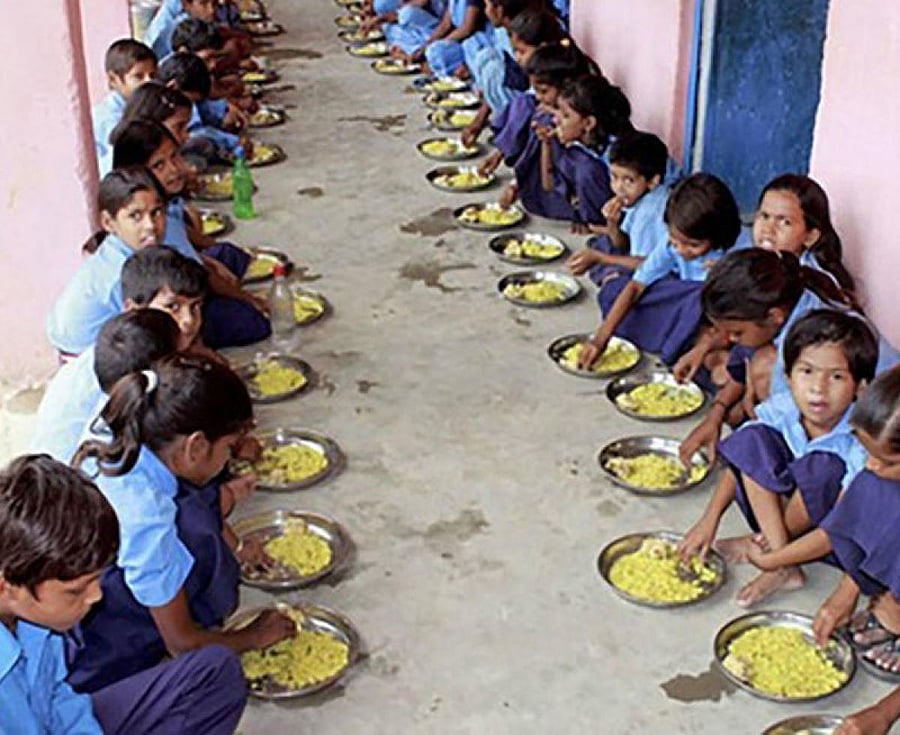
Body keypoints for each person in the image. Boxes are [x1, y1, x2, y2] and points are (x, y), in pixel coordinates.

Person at [68, 356, 294, 693]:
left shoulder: (125, 419)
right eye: (229, 448)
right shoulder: (145, 518)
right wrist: (252, 636)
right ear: (196, 446)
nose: (230, 459)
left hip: (90, 577)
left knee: (200, 504)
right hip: (92, 658)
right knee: (213, 671)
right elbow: (182, 644)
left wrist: (238, 547)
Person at [0, 454, 248, 734]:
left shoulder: (36, 619)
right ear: (6, 585)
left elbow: (60, 700)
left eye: (95, 580)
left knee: (215, 672)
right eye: (76, 591)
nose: (96, 596)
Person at [678, 310, 877, 606]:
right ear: (788, 376)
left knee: (821, 467)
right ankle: (779, 556)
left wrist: (774, 559)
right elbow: (744, 459)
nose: (818, 388)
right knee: (751, 437)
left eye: (836, 377)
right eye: (806, 372)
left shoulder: (862, 441)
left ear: (860, 387)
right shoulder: (784, 406)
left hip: (830, 538)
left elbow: (839, 527)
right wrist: (709, 520)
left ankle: (776, 556)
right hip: (779, 519)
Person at [746, 366, 900, 680]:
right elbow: (851, 522)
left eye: (887, 461)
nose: (872, 464)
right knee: (870, 487)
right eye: (868, 454)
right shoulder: (876, 472)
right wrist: (847, 592)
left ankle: (893, 612)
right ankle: (885, 598)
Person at [678, 250, 898, 465]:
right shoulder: (796, 302)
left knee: (762, 368)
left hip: (881, 429)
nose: (729, 340)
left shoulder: (809, 346)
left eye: (737, 332)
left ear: (774, 316)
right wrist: (716, 414)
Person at [674, 173, 857, 387]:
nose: (768, 230)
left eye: (785, 222)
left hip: (804, 367)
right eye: (764, 216)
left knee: (755, 366)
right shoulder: (764, 259)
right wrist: (702, 349)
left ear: (810, 236)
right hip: (762, 331)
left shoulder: (811, 290)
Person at [112, 120, 270, 348]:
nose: (174, 169)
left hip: (177, 284)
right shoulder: (151, 225)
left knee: (227, 254)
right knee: (251, 321)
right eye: (158, 165)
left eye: (174, 157)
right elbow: (204, 277)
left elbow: (185, 242)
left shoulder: (160, 209)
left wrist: (207, 256)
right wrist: (248, 299)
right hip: (169, 304)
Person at [579, 173, 742, 370]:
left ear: (717, 235)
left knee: (698, 296)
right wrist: (601, 338)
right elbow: (636, 287)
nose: (681, 250)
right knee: (615, 291)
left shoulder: (737, 255)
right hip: (679, 310)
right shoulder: (671, 246)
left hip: (713, 319)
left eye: (693, 245)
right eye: (675, 240)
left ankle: (690, 344)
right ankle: (681, 341)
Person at [46, 169, 166, 357]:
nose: (150, 225)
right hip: (89, 356)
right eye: (136, 216)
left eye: (156, 212)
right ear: (108, 222)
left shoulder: (115, 251)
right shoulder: (121, 275)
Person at [496, 40, 599, 218]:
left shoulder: (579, 114)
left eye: (543, 91)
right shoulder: (546, 113)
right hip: (550, 181)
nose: (538, 97)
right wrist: (516, 183)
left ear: (566, 84)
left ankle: (579, 210)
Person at [567, 131, 670, 285]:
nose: (618, 187)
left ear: (653, 181)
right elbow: (623, 244)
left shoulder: (650, 211)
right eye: (614, 177)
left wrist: (601, 258)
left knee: (614, 278)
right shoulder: (639, 197)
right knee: (601, 244)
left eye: (629, 180)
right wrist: (612, 223)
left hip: (664, 274)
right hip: (642, 256)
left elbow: (649, 265)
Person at [471, 8, 565, 157]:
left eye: (522, 52)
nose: (517, 58)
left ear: (542, 47)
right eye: (515, 51)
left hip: (557, 130)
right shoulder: (538, 68)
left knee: (525, 106)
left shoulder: (557, 70)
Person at [157, 52, 243, 162]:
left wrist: (224, 111)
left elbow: (205, 108)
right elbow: (195, 131)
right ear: (173, 87)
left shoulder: (184, 92)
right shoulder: (160, 107)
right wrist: (233, 142)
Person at [92, 40, 157, 176]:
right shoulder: (107, 119)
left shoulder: (149, 106)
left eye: (153, 75)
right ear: (113, 80)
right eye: (138, 76)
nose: (149, 82)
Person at [415, 0, 494, 78]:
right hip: (461, 40)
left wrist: (444, 42)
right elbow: (445, 25)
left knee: (437, 50)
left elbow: (467, 29)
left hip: (477, 40)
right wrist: (427, 44)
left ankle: (465, 68)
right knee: (434, 50)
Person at [145, 0, 216, 60]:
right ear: (186, 5)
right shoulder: (176, 30)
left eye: (215, 3)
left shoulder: (211, 23)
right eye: (203, 3)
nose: (212, 10)